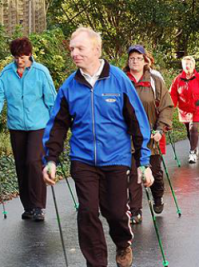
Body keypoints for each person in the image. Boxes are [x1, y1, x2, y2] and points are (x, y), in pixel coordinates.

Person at [41, 27, 154, 267]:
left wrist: (144, 163)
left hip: (116, 158)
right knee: (88, 212)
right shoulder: (69, 86)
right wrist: (51, 159)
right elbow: (57, 125)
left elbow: (138, 124)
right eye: (72, 48)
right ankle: (96, 263)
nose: (74, 53)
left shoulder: (118, 80)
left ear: (96, 50)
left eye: (79, 48)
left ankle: (123, 244)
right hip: (83, 160)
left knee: (114, 212)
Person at [0, 37, 56, 222]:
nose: (18, 60)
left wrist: (56, 127)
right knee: (21, 165)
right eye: (16, 57)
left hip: (38, 125)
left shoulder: (41, 72)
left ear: (30, 54)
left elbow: (51, 100)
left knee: (33, 162)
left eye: (22, 57)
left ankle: (39, 206)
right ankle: (28, 207)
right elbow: (0, 98)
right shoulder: (6, 74)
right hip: (16, 126)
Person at [124, 45, 174, 223]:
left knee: (155, 173)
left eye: (138, 58)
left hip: (151, 137)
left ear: (146, 60)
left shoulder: (155, 81)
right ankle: (135, 211)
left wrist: (161, 129)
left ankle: (158, 196)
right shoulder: (122, 80)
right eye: (131, 58)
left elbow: (166, 107)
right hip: (128, 138)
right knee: (132, 174)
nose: (134, 61)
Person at [170, 56, 199, 164]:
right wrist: (170, 107)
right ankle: (194, 146)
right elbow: (173, 94)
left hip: (197, 108)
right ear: (182, 65)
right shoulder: (178, 79)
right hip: (184, 110)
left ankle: (192, 152)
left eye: (190, 64)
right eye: (185, 64)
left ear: (194, 65)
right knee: (188, 131)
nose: (187, 66)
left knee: (193, 128)